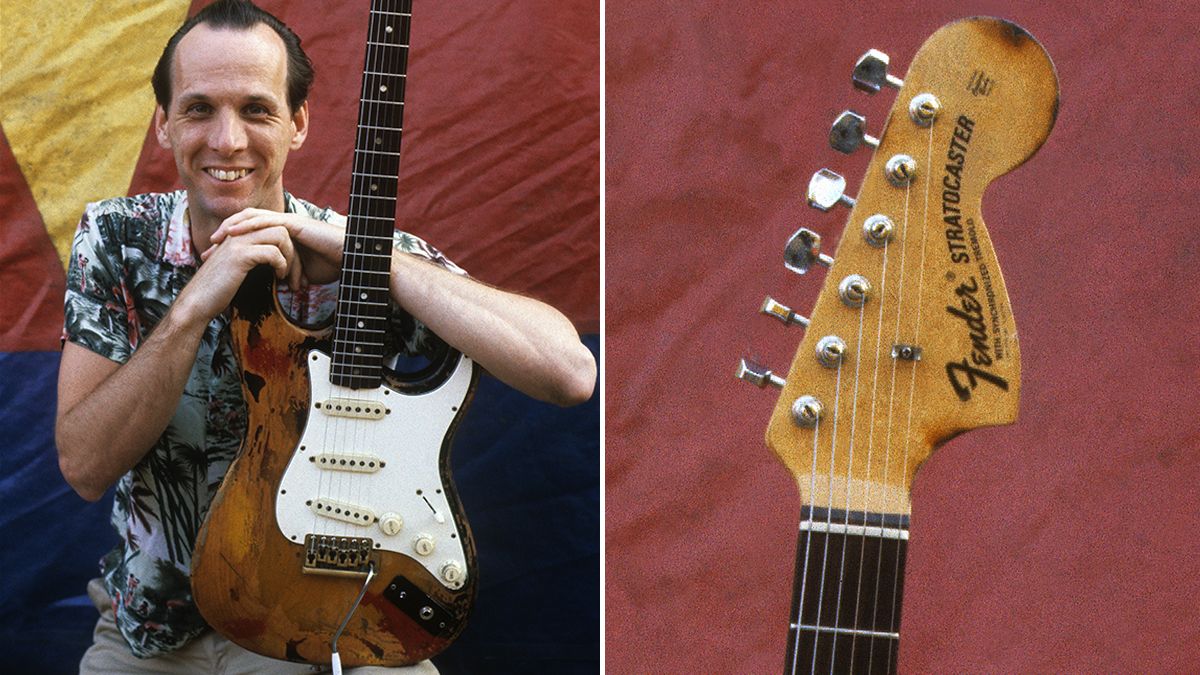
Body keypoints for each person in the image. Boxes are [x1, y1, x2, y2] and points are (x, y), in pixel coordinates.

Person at [54, 1, 597, 672]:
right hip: (161, 629)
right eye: (199, 109)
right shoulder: (116, 237)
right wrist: (192, 308)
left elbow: (570, 373)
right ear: (163, 125)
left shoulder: (357, 254)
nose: (227, 140)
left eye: (256, 109)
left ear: (299, 124)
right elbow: (83, 467)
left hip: (334, 614)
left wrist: (374, 258)